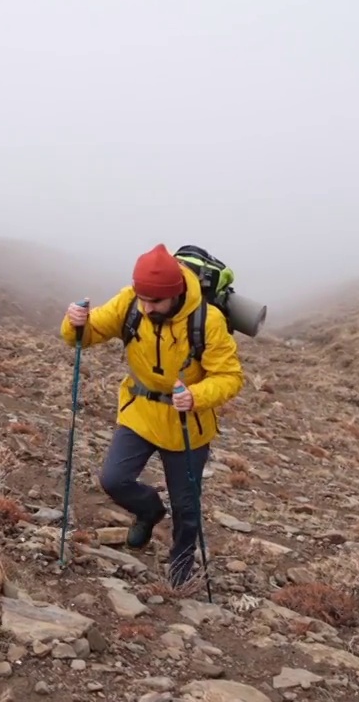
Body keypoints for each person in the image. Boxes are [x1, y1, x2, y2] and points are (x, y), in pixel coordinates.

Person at [60, 243, 244, 587]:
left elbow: (230, 376)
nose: (146, 308)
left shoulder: (208, 320)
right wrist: (76, 323)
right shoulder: (131, 301)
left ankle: (180, 570)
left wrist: (197, 395)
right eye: (142, 299)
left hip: (188, 422)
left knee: (186, 508)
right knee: (114, 480)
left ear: (174, 294)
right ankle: (149, 511)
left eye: (155, 302)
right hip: (140, 411)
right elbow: (86, 335)